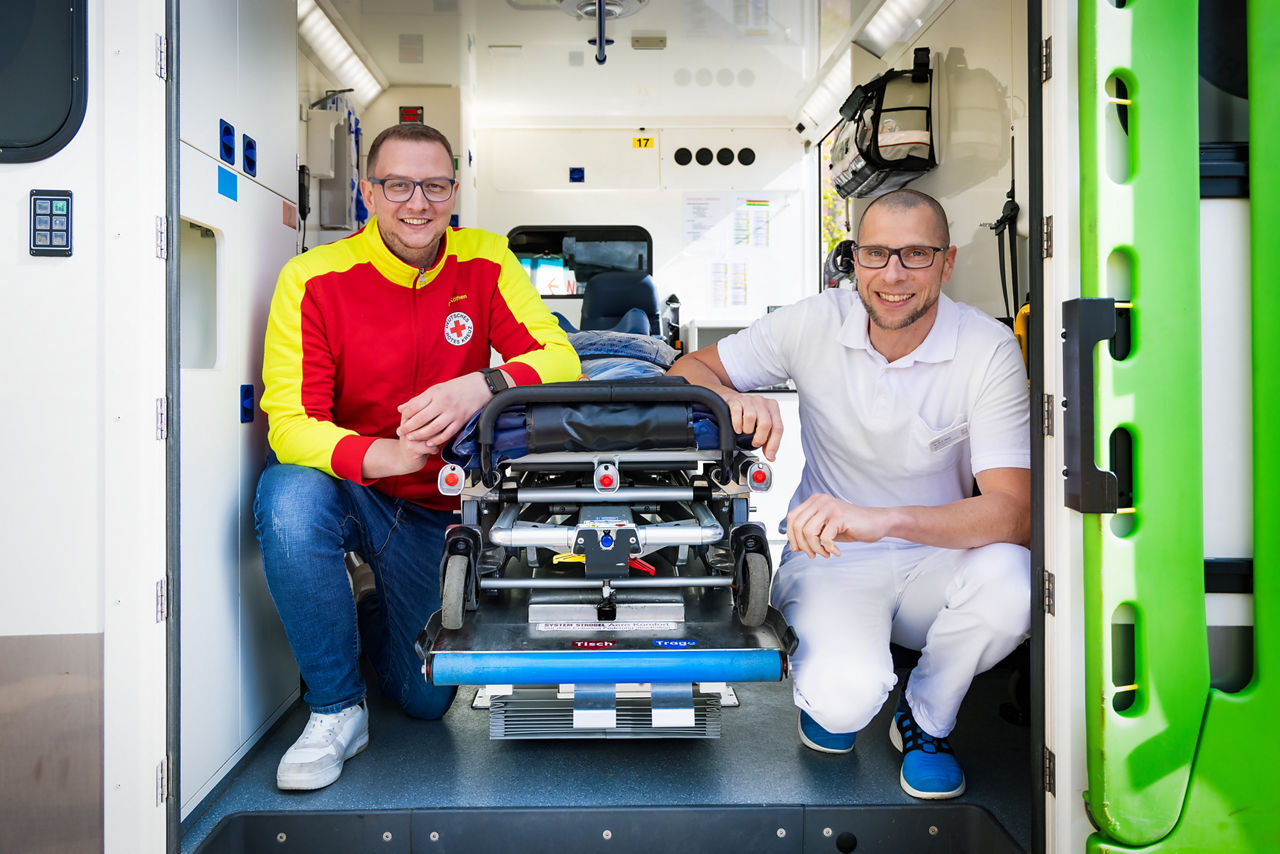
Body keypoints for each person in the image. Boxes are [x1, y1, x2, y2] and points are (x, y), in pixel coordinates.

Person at [668, 188, 1030, 799]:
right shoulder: (813, 321)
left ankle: (925, 717)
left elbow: (1013, 514)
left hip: (937, 556)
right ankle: (848, 691)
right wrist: (732, 399)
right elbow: (686, 369)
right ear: (853, 260)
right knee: (840, 710)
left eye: (916, 254)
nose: (893, 275)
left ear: (948, 261)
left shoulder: (987, 349)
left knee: (1015, 582)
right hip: (831, 556)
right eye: (876, 254)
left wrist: (881, 518)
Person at [254, 122, 580, 791]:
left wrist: (481, 383)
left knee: (427, 702)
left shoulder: (486, 259)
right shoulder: (313, 278)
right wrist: (386, 455)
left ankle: (369, 613)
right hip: (351, 487)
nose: (417, 203)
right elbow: (290, 424)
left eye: (434, 186)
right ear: (369, 192)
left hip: (437, 509)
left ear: (454, 192)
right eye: (398, 185)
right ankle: (336, 709)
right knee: (285, 496)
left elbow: (560, 357)